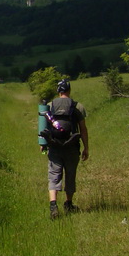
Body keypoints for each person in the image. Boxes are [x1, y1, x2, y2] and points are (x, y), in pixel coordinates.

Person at [40, 78, 89, 219]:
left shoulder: (49, 106)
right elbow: (83, 129)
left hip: (54, 146)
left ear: (58, 91)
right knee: (70, 174)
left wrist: (43, 145)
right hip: (72, 146)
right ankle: (68, 204)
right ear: (69, 90)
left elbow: (43, 128)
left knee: (54, 175)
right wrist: (86, 148)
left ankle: (53, 204)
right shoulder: (77, 106)